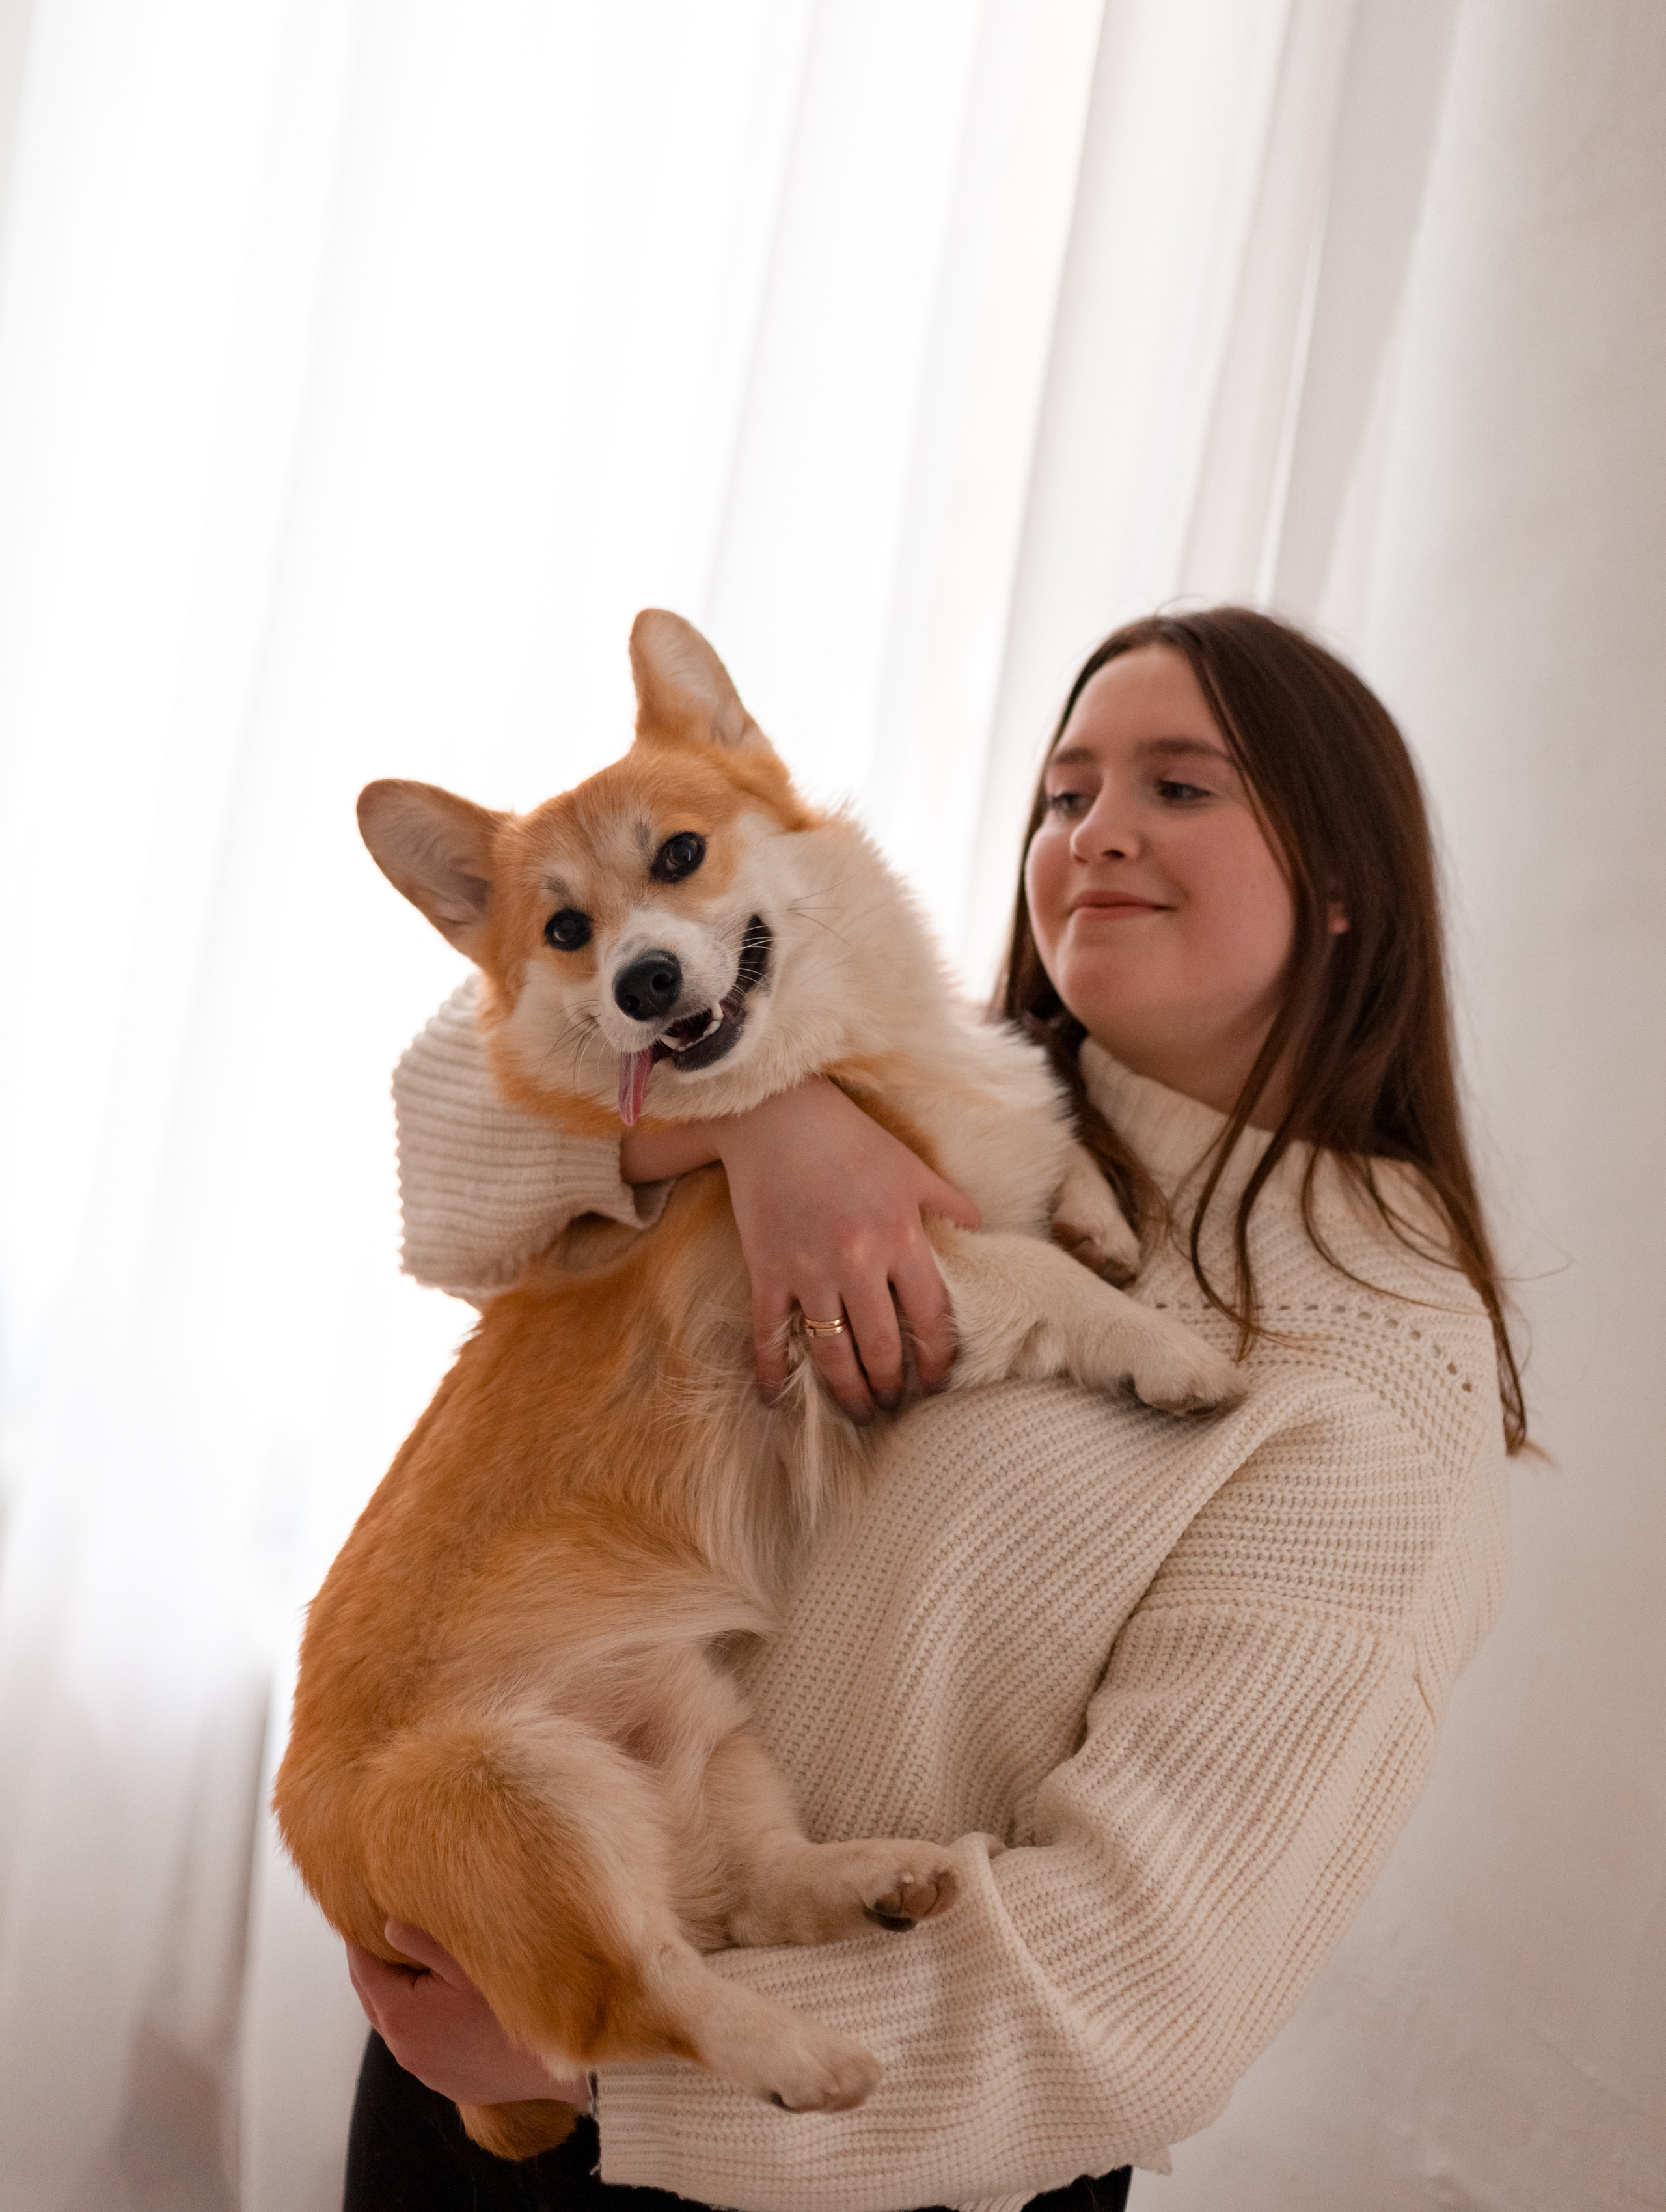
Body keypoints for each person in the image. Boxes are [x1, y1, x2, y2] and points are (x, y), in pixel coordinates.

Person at [342, 607, 1520, 2212]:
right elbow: (452, 1087)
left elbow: (1148, 1988)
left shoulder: (1373, 1373)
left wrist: (610, 2070)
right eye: (1064, 793)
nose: (1093, 831)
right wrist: (755, 1127)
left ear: (1339, 881)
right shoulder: (879, 1063)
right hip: (504, 1993)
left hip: (782, 2127)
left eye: (1177, 786)